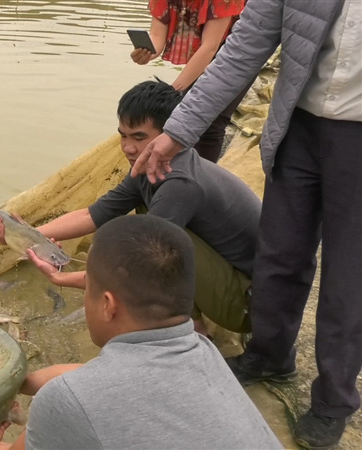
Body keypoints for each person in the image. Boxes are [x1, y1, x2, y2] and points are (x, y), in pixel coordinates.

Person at [132, 1, 361, 447]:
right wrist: (178, 130)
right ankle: (269, 355)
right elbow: (240, 51)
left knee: (348, 275)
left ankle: (333, 400)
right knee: (279, 254)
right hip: (297, 125)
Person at [0, 215, 281, 450]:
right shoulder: (203, 352)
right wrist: (17, 381)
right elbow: (88, 378)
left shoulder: (65, 404)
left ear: (108, 305)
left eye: (88, 288)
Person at [0, 79, 260, 336]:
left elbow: (140, 268)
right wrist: (26, 234)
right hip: (232, 282)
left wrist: (62, 278)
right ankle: (194, 325)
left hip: (251, 306)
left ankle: (192, 338)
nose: (128, 148)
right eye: (123, 136)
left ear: (172, 134)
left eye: (139, 138)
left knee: (155, 251)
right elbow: (92, 215)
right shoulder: (149, 168)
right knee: (147, 227)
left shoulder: (179, 184)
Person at [131, 0, 249, 163]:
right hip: (205, 50)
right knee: (185, 113)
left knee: (213, 120)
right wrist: (147, 52)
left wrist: (173, 92)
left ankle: (201, 180)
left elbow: (209, 47)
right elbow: (157, 36)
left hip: (241, 49)